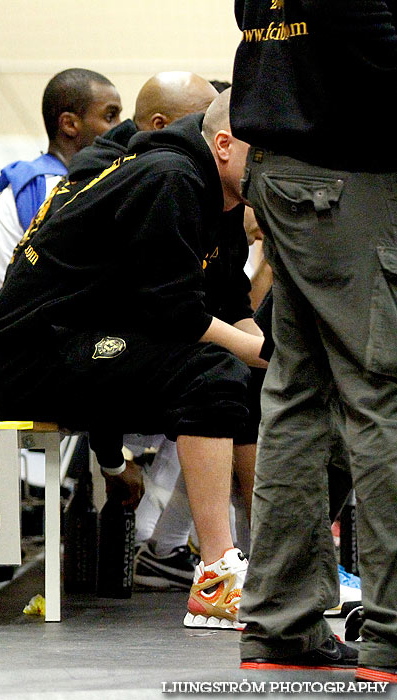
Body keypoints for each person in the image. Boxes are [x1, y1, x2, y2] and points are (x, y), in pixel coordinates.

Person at [0, 89, 266, 629]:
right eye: (266, 150)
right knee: (213, 371)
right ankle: (216, 579)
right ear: (224, 145)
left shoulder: (221, 193)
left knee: (250, 381)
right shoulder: (170, 178)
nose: (277, 164)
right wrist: (266, 353)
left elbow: (228, 303)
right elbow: (175, 315)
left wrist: (275, 357)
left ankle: (271, 566)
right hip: (30, 358)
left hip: (84, 343)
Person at [231, 1, 397, 677]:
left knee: (298, 400)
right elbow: (371, 39)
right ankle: (391, 633)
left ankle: (281, 625)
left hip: (283, 168)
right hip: (350, 175)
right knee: (379, 395)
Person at [0, 69, 122, 336]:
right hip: (18, 353)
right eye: (111, 116)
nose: (121, 127)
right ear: (69, 124)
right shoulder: (59, 190)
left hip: (3, 344)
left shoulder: (38, 180)